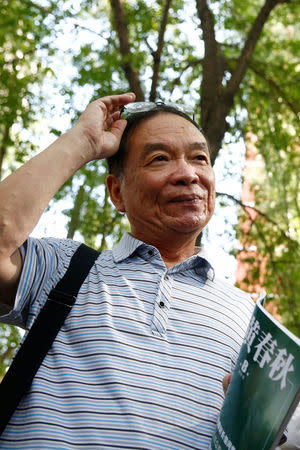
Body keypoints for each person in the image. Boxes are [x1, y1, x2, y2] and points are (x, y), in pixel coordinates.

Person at [0, 92, 254, 448]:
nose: (188, 174)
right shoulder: (61, 268)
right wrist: (83, 142)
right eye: (160, 158)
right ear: (117, 193)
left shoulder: (249, 317)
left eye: (200, 158)